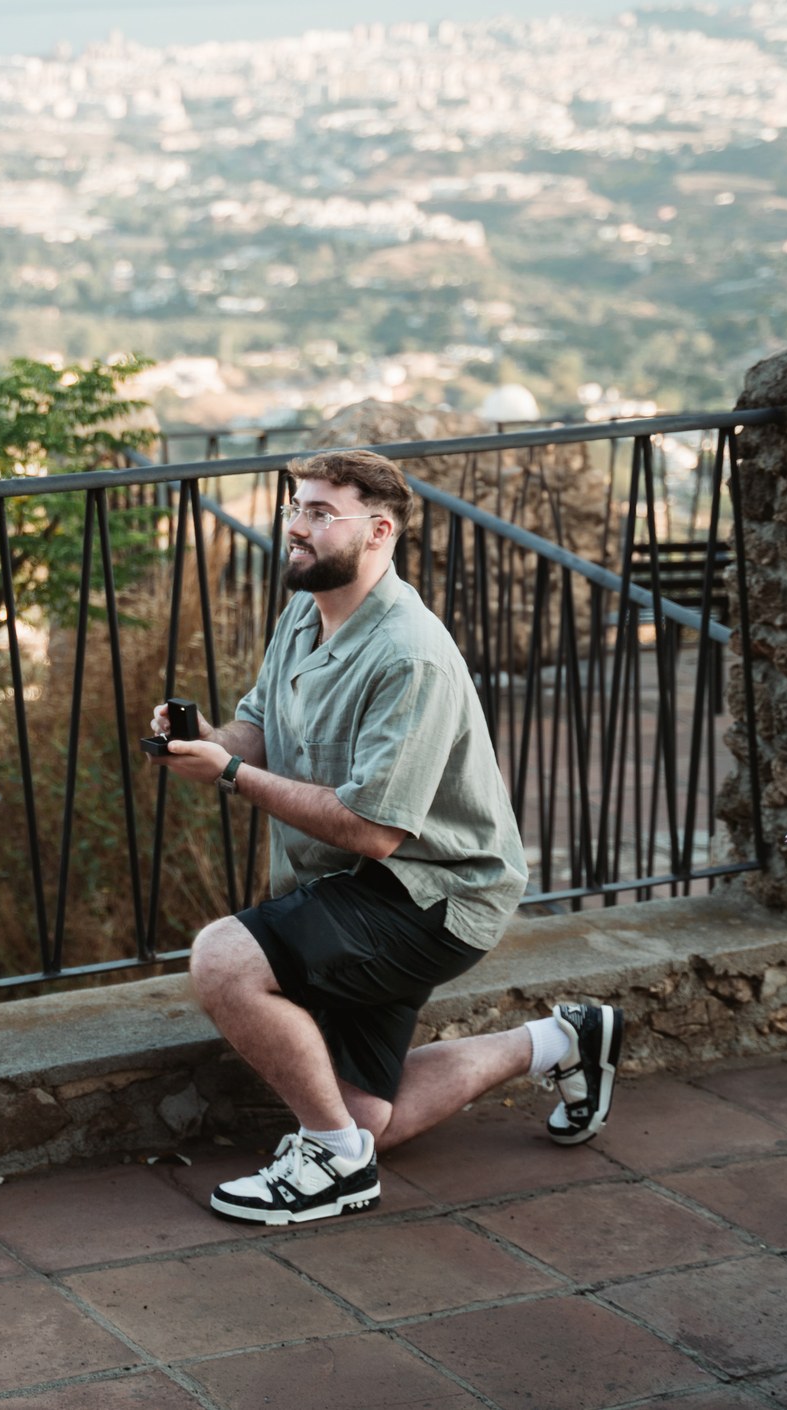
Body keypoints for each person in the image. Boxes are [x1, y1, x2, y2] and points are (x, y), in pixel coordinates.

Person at [146, 448, 624, 1225]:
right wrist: (207, 738)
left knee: (224, 961)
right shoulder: (307, 612)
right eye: (295, 507)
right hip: (355, 885)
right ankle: (560, 1041)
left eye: (319, 513)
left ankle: (332, 1168)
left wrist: (228, 777)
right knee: (368, 1119)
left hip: (434, 893)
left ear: (378, 531)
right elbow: (260, 729)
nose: (295, 528)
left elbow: (372, 831)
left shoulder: (409, 655)